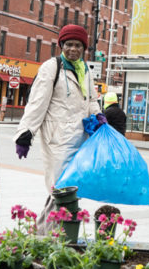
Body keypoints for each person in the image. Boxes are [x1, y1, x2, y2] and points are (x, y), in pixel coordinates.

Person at [14, 24, 101, 207]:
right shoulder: (51, 67)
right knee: (60, 190)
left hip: (80, 138)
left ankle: (57, 230)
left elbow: (91, 99)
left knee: (73, 191)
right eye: (69, 44)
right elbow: (37, 103)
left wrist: (98, 115)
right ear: (61, 45)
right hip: (57, 139)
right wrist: (25, 133)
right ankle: (55, 231)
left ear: (84, 48)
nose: (73, 49)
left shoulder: (84, 70)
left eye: (78, 45)